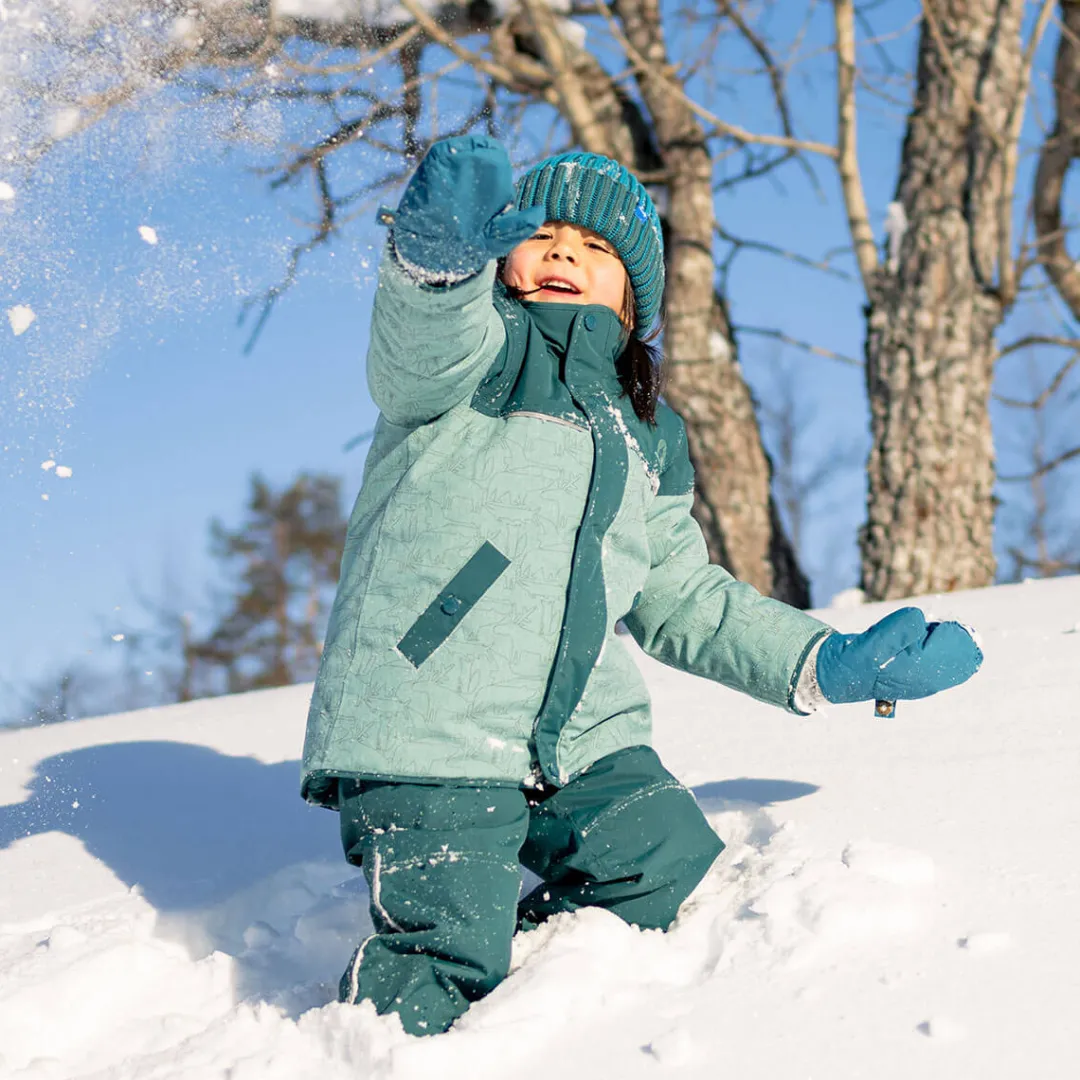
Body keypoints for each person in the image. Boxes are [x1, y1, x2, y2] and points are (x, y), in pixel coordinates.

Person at [300, 135, 983, 1035]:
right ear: (498, 256)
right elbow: (418, 347)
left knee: (668, 866)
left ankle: (541, 989)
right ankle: (385, 1037)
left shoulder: (644, 435)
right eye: (540, 237)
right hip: (432, 727)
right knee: (446, 947)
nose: (561, 254)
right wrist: (436, 265)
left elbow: (684, 598)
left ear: (635, 299)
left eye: (593, 250)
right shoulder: (474, 361)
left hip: (580, 738)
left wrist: (830, 663)